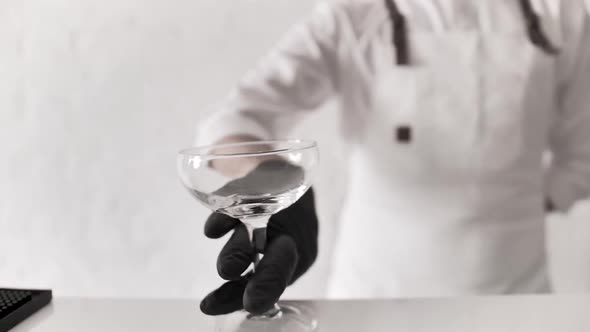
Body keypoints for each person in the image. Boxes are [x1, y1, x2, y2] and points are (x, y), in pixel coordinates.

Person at [195, 0, 590, 315]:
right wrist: (269, 175)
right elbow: (233, 120)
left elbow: (584, 158)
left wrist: (513, 204)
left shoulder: (561, 13)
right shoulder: (352, 15)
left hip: (519, 304)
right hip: (370, 301)